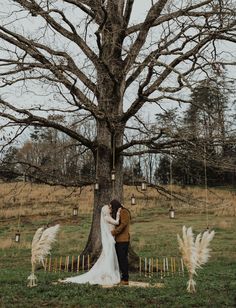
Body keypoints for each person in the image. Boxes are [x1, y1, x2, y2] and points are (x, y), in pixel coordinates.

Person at [60, 204, 121, 285]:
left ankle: (108, 271)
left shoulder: (107, 217)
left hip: (110, 238)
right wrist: (118, 213)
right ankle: (107, 272)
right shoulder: (107, 217)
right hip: (109, 240)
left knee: (108, 255)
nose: (110, 209)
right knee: (108, 255)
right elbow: (116, 222)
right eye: (109, 208)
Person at [110, 199, 131, 286]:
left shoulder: (124, 211)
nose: (111, 209)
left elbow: (123, 225)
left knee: (123, 260)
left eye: (112, 207)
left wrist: (114, 232)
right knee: (120, 259)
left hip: (123, 240)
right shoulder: (119, 212)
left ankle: (125, 279)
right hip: (118, 240)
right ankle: (122, 278)